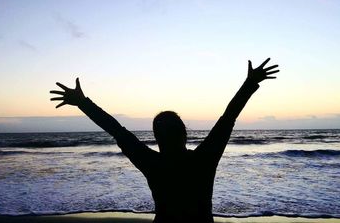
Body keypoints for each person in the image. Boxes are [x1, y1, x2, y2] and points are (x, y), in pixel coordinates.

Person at [50, 58, 279, 223]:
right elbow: (228, 117)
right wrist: (249, 84)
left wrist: (83, 103)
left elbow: (116, 130)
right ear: (185, 133)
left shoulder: (152, 163)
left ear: (156, 138)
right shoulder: (203, 159)